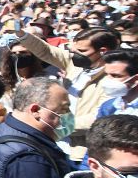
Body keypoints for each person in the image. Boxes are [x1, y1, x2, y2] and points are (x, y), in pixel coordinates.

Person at [15, 26, 118, 160]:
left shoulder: (114, 78)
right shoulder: (74, 63)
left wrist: (58, 124)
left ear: (103, 51)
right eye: (73, 50)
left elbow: (99, 117)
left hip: (81, 151)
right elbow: (46, 51)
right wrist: (22, 34)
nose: (74, 55)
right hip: (57, 142)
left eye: (82, 51)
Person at [97, 49, 138, 117]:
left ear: (136, 79)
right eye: (107, 74)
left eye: (116, 76)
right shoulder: (107, 107)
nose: (108, 80)